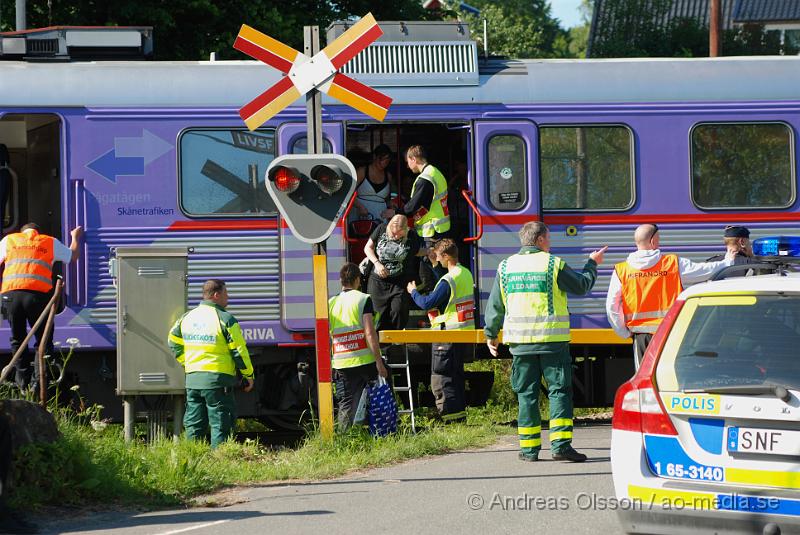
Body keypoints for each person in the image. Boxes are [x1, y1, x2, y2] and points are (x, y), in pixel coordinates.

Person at [484, 221, 607, 462]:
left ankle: (529, 450)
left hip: (520, 343)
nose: (550, 243)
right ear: (539, 240)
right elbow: (582, 285)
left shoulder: (506, 267)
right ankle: (560, 447)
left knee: (526, 394)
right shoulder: (553, 264)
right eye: (548, 238)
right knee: (559, 391)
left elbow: (495, 304)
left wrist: (491, 334)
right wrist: (593, 264)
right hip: (552, 341)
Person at [606, 223, 735, 369]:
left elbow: (612, 306)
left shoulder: (622, 270)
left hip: (642, 336)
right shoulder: (672, 264)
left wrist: (623, 332)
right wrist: (727, 261)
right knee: (670, 375)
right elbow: (703, 271)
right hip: (670, 333)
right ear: (653, 241)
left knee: (644, 379)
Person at [168, 279, 254, 448]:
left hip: (193, 380)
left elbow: (173, 340)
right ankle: (219, 462)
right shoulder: (225, 319)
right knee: (221, 424)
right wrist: (248, 375)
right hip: (218, 381)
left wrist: (187, 362)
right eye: (226, 294)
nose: (228, 298)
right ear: (216, 295)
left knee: (194, 424)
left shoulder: (187, 317)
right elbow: (239, 351)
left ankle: (192, 461)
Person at [0, 223, 83, 390]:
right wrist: (75, 237)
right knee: (42, 340)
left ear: (22, 231)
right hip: (37, 298)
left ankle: (22, 383)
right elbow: (73, 256)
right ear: (37, 231)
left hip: (10, 297)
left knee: (18, 339)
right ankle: (39, 384)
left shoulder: (8, 240)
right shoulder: (48, 241)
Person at [406, 239, 474, 423]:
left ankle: (450, 419)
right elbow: (446, 287)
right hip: (461, 333)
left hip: (447, 335)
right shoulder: (465, 273)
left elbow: (427, 302)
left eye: (438, 256)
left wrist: (413, 292)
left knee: (443, 377)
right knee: (456, 376)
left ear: (446, 256)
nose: (436, 258)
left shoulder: (449, 279)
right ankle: (459, 417)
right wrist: (435, 266)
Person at [329, 263, 388, 430]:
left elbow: (328, 335)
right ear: (357, 280)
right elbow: (369, 332)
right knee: (375, 398)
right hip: (364, 361)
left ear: (341, 281)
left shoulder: (331, 302)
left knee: (346, 402)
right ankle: (378, 433)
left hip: (341, 363)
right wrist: (379, 361)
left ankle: (344, 439)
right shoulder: (363, 299)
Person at [363, 215, 423, 332]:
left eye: (399, 234)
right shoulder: (381, 228)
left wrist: (429, 252)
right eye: (393, 233)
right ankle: (380, 346)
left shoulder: (412, 236)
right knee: (378, 316)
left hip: (399, 281)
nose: (395, 236)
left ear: (405, 230)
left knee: (399, 311)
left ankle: (395, 343)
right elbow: (367, 248)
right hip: (377, 281)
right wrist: (377, 263)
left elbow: (415, 252)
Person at [382, 145, 450, 242]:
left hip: (431, 230)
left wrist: (395, 212)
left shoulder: (425, 178)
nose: (407, 166)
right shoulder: (436, 173)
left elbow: (413, 206)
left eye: (407, 162)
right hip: (442, 227)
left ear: (413, 159)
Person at [351, 144, 393, 223]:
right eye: (380, 159)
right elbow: (348, 193)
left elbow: (388, 199)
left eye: (386, 161)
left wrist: (392, 205)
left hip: (381, 217)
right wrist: (360, 207)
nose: (383, 163)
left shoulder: (388, 176)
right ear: (374, 157)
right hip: (360, 217)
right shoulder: (362, 172)